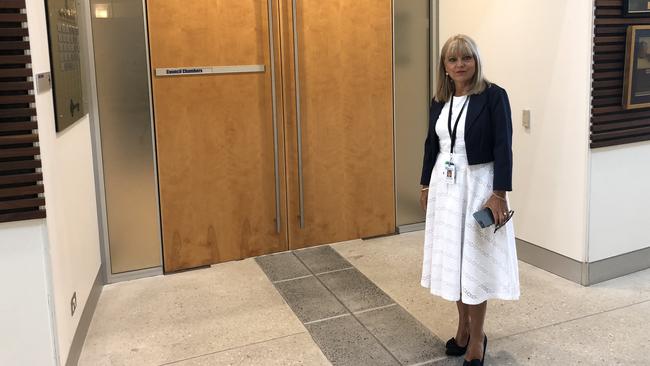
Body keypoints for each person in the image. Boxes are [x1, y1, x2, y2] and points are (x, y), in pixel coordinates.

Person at [419, 34, 520, 366]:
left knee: (474, 266)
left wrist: (498, 194)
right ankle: (462, 326)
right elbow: (431, 145)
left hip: (478, 185)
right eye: (452, 59)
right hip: (445, 187)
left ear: (476, 61)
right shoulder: (440, 100)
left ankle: (477, 339)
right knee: (454, 261)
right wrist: (424, 185)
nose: (460, 64)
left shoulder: (493, 96)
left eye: (466, 58)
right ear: (444, 67)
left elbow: (503, 147)